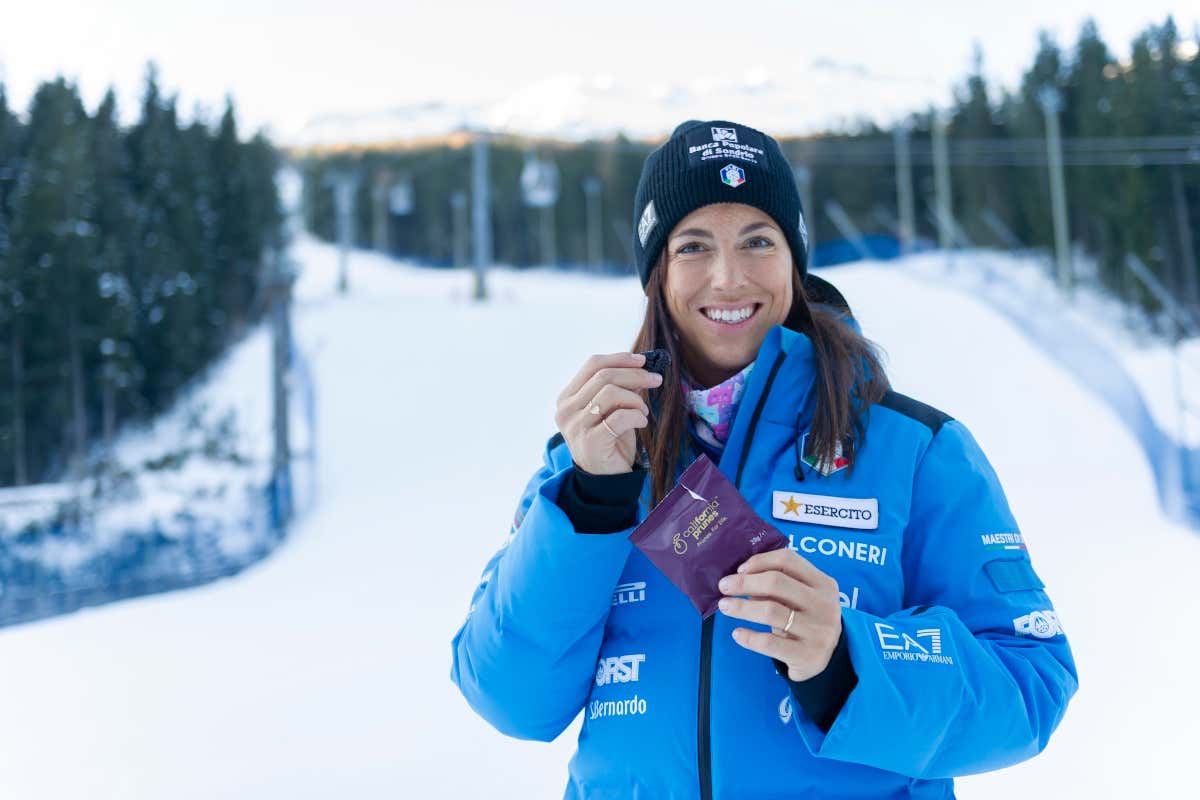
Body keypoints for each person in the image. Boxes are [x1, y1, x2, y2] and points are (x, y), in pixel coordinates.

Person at [450, 119, 1077, 799]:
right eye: (693, 246)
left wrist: (845, 660)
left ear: (793, 262)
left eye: (758, 241)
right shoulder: (593, 455)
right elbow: (509, 698)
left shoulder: (917, 450)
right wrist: (590, 500)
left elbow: (1031, 683)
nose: (728, 277)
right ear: (656, 274)